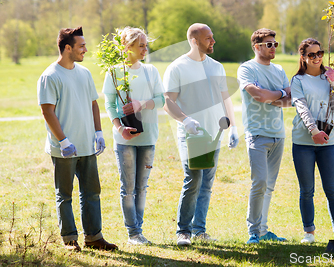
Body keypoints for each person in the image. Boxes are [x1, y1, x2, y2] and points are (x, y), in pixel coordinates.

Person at [37, 26, 118, 252]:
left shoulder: (84, 73)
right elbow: (47, 111)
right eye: (81, 46)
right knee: (65, 194)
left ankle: (93, 237)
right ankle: (70, 239)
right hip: (64, 147)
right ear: (67, 48)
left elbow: (93, 103)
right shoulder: (50, 76)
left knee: (92, 192)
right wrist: (63, 141)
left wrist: (99, 132)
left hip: (87, 145)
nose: (86, 49)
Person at [163, 23, 239, 246]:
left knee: (207, 182)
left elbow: (225, 98)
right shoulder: (177, 67)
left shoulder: (216, 66)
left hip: (215, 134)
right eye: (208, 38)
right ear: (195, 41)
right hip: (192, 134)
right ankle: (183, 231)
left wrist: (233, 127)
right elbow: (168, 102)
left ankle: (199, 230)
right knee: (193, 179)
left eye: (212, 37)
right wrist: (185, 120)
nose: (213, 41)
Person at [102, 27, 165, 245]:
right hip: (124, 139)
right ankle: (134, 233)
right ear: (127, 47)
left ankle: (138, 229)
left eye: (146, 45)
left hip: (148, 138)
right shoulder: (113, 72)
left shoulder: (151, 71)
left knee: (142, 187)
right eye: (141, 46)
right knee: (127, 187)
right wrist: (119, 128)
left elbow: (161, 100)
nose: (145, 49)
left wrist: (141, 104)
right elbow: (109, 104)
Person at [237, 28, 292, 244]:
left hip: (278, 133)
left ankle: (263, 229)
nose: (273, 48)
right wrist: (277, 94)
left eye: (275, 44)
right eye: (269, 44)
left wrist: (272, 96)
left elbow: (291, 100)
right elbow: (256, 94)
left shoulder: (278, 70)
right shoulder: (247, 69)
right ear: (256, 47)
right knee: (259, 182)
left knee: (269, 185)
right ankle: (253, 231)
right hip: (257, 133)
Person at [290, 38, 334, 244]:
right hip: (303, 142)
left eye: (319, 53)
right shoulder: (298, 81)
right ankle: (309, 232)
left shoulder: (330, 76)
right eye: (311, 55)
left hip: (327, 143)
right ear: (303, 57)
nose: (317, 58)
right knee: (307, 190)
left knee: (332, 189)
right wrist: (313, 131)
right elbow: (301, 107)